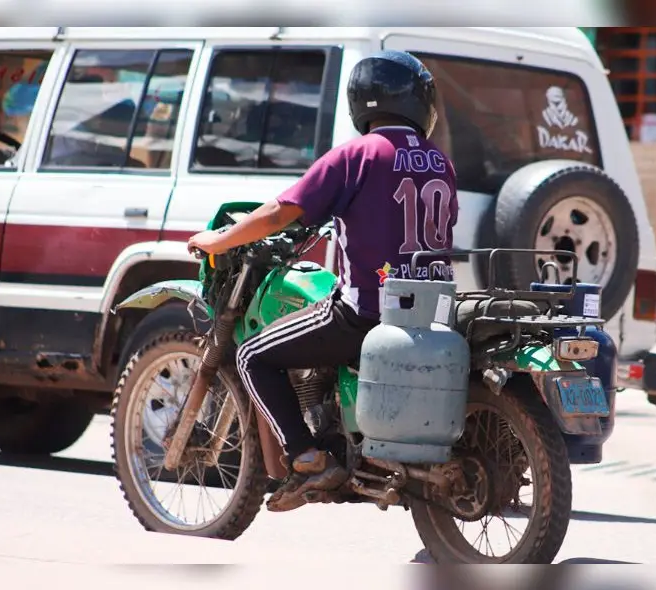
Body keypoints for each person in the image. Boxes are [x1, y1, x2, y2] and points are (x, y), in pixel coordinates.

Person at [185, 50, 458, 511]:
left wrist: (220, 241)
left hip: (366, 313)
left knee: (252, 354)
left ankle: (307, 457)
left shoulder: (358, 154)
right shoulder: (440, 162)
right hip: (432, 314)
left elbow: (279, 213)